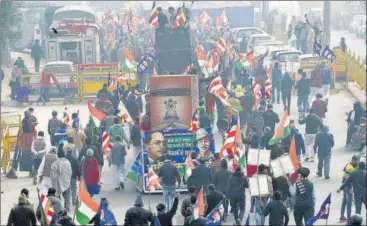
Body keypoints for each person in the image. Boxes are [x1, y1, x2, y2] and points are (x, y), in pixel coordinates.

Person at [51, 144, 72, 212]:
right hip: (67, 182)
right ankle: (67, 210)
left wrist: (53, 185)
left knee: (57, 198)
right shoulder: (68, 162)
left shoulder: (55, 163)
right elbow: (70, 173)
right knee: (67, 198)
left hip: (58, 184)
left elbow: (53, 176)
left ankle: (59, 211)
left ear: (57, 155)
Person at [339, 155, 359, 222]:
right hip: (348, 186)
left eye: (357, 161)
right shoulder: (351, 168)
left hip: (344, 185)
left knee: (344, 201)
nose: (356, 162)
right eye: (355, 161)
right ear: (352, 160)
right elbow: (352, 178)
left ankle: (342, 216)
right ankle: (349, 219)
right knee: (349, 203)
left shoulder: (348, 164)